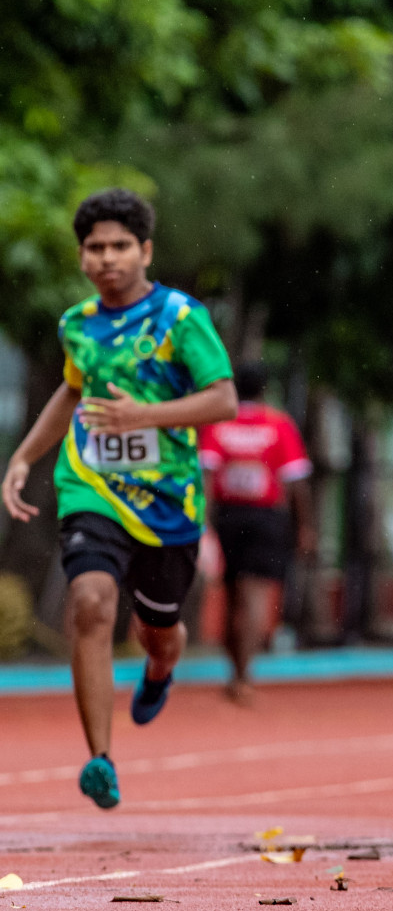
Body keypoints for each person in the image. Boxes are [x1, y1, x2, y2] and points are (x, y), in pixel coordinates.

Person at [1, 189, 236, 808]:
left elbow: (223, 399)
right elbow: (70, 392)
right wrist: (25, 457)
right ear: (82, 257)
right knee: (89, 602)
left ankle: (161, 668)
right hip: (92, 487)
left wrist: (146, 416)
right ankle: (100, 759)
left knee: (159, 632)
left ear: (145, 251)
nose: (107, 258)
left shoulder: (181, 319)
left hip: (168, 502)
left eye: (120, 246)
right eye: (95, 247)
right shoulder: (77, 324)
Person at [198, 361, 315, 705]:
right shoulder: (279, 424)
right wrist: (305, 525)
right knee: (255, 595)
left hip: (228, 516)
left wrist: (204, 524)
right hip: (267, 518)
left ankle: (236, 672)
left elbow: (206, 475)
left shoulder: (220, 423)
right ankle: (243, 675)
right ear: (264, 389)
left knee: (232, 594)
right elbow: (296, 482)